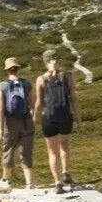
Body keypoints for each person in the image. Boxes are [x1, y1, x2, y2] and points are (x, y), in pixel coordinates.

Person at [34, 47, 77, 194]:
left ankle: (57, 182)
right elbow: (73, 98)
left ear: (46, 62)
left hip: (49, 117)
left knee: (52, 151)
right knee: (64, 144)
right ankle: (65, 171)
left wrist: (36, 117)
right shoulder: (68, 76)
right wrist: (78, 116)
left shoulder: (41, 79)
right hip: (65, 116)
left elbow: (39, 102)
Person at [0, 57, 35, 190]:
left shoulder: (3, 85)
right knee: (26, 151)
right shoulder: (27, 84)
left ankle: (6, 179)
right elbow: (34, 104)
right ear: (18, 69)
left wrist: (0, 129)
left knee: (8, 149)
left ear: (7, 71)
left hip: (10, 123)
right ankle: (29, 183)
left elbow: (1, 108)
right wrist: (32, 119)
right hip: (26, 121)